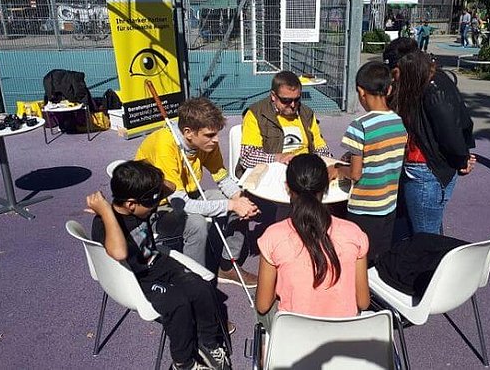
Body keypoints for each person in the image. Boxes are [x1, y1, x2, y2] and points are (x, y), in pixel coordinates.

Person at [88, 160, 230, 370]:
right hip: (136, 279)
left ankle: (207, 343)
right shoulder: (104, 223)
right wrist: (107, 212)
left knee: (201, 288)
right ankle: (184, 363)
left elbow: (170, 187)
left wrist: (151, 184)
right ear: (130, 204)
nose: (156, 206)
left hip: (157, 263)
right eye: (152, 202)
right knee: (178, 303)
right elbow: (119, 252)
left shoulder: (138, 206)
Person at [135, 97, 260, 286]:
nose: (216, 140)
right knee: (197, 223)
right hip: (157, 209)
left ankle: (227, 266)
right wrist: (231, 204)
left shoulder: (206, 143)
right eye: (210, 135)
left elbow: (223, 178)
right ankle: (195, 283)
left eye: (216, 134)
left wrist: (239, 199)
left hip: (188, 195)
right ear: (188, 132)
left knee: (240, 202)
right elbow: (180, 203)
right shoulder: (165, 146)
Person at [255, 154, 370, 330]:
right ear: (326, 188)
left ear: (287, 188)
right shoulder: (353, 233)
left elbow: (262, 305)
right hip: (345, 341)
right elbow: (363, 302)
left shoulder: (273, 236)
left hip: (295, 340)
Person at [327, 61, 407, 266]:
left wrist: (337, 169)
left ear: (360, 92)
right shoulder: (399, 122)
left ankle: (358, 296)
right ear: (388, 89)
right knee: (380, 256)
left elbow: (355, 174)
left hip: (364, 208)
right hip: (388, 204)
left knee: (359, 258)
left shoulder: (359, 126)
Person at [394, 49, 476, 235]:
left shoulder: (429, 93)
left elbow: (449, 131)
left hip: (425, 171)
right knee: (430, 227)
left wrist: (462, 157)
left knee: (425, 237)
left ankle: (435, 263)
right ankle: (437, 259)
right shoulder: (435, 83)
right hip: (436, 169)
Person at [235, 70, 331, 178]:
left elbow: (322, 150)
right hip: (270, 172)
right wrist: (279, 158)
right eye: (286, 100)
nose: (293, 105)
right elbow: (247, 158)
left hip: (303, 173)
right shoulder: (256, 114)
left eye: (297, 99)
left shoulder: (307, 113)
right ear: (273, 96)